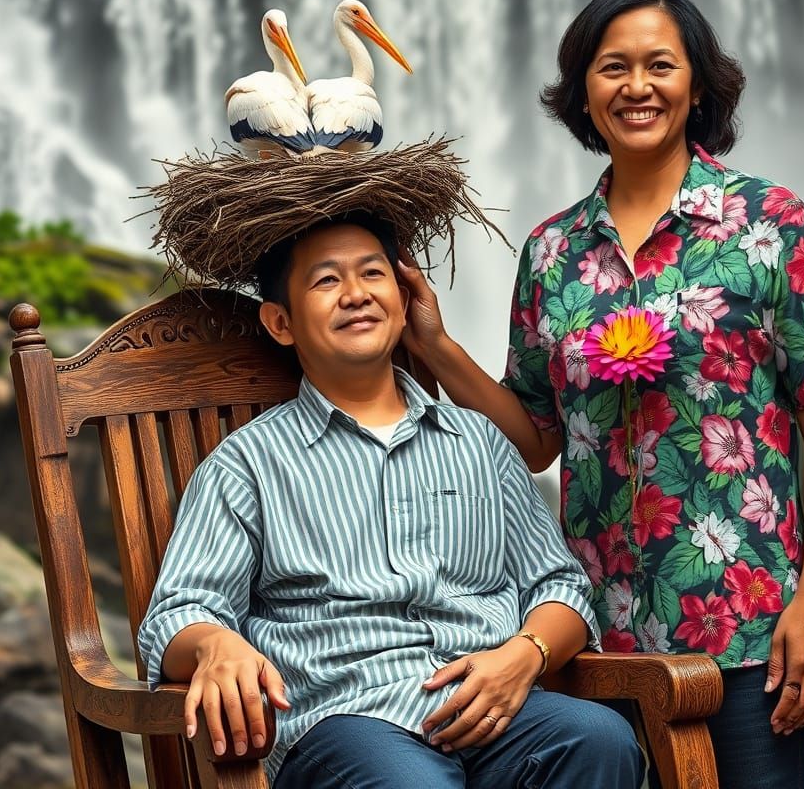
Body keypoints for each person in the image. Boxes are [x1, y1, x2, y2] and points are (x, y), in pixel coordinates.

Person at [397, 0, 804, 788]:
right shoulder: (552, 253)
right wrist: (437, 347)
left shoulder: (768, 222)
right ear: (584, 90)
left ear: (696, 86)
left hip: (746, 621)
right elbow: (539, 439)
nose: (637, 86)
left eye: (660, 65)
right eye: (612, 67)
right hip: (595, 640)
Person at [137, 211, 643, 789]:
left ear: (402, 302)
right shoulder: (246, 465)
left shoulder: (479, 442)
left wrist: (526, 653)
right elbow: (178, 613)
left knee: (599, 739)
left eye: (372, 274)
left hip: (492, 706)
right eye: (327, 281)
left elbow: (561, 585)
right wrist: (214, 643)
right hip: (348, 721)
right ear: (281, 322)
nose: (355, 294)